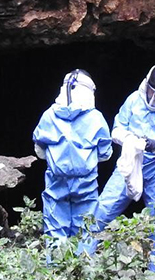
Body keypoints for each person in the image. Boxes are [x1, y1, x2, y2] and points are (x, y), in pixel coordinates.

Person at [92, 64, 155, 272]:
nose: (154, 97)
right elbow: (116, 129)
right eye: (151, 92)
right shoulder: (133, 100)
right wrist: (130, 139)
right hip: (130, 163)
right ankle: (83, 259)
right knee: (103, 208)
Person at [32, 69, 112, 250]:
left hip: (56, 180)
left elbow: (39, 149)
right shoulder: (95, 118)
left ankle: (56, 274)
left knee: (55, 227)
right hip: (86, 181)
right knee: (86, 228)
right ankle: (82, 272)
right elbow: (105, 154)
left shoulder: (49, 115)